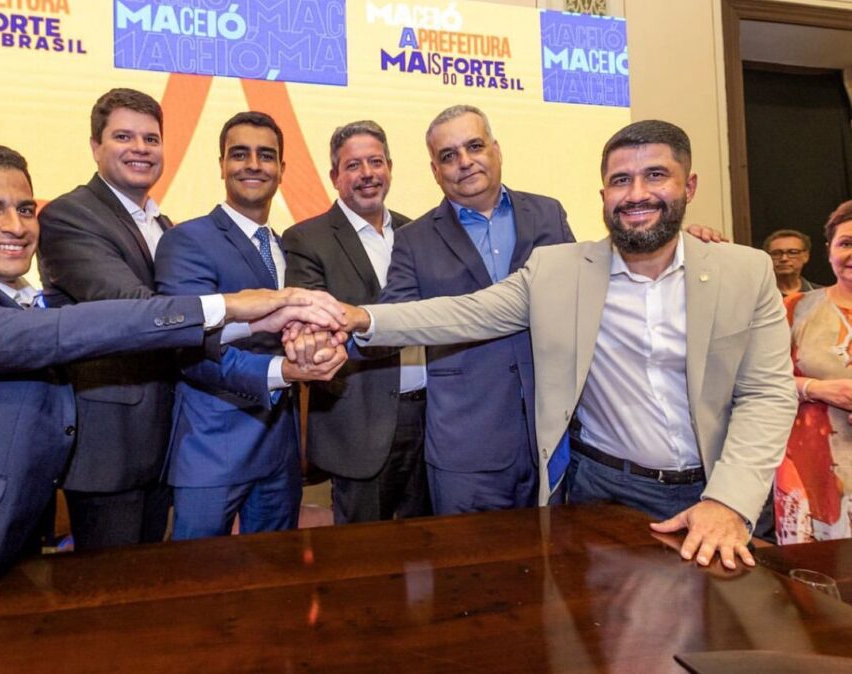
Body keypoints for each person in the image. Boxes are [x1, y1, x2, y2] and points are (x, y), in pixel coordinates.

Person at [0, 141, 345, 650]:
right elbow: (64, 333)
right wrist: (225, 305)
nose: (15, 226)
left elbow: (105, 338)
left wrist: (262, 323)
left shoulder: (19, 302)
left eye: (25, 209)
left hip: (12, 559)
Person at [297, 120, 796, 569]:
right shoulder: (561, 271)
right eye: (621, 181)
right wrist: (357, 316)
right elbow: (463, 312)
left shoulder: (744, 272)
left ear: (689, 187)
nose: (637, 194)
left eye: (656, 176)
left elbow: (768, 395)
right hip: (599, 489)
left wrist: (729, 501)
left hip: (715, 492)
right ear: (603, 194)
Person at [372, 104, 574, 515]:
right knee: (470, 557)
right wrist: (340, 329)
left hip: (553, 433)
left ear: (497, 150)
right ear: (435, 171)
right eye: (449, 155)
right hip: (467, 447)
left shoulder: (548, 214)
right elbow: (392, 321)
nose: (464, 162)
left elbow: (586, 289)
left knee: (556, 554)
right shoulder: (414, 240)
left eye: (475, 146)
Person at [154, 112, 348, 540]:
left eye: (266, 155)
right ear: (222, 164)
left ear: (282, 168)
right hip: (213, 449)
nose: (254, 165)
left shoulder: (288, 247)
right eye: (240, 154)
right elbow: (188, 347)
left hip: (281, 452)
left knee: (274, 573)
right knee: (199, 576)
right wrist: (284, 371)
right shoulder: (187, 240)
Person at [37, 88, 176, 551]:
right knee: (106, 584)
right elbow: (132, 306)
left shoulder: (164, 224)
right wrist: (236, 310)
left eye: (151, 139)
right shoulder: (69, 216)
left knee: (154, 580)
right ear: (95, 146)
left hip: (164, 441)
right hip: (110, 447)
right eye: (123, 136)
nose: (140, 148)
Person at [282, 120, 431, 524]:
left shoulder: (419, 232)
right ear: (335, 177)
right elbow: (322, 332)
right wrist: (410, 321)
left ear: (390, 168)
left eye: (376, 162)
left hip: (432, 418)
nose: (367, 173)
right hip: (361, 426)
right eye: (353, 165)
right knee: (361, 551)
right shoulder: (306, 239)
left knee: (428, 547)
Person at [776, 201, 852, 543]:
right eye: (846, 243)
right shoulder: (795, 309)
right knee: (814, 571)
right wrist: (819, 389)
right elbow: (757, 382)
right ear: (828, 250)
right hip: (809, 469)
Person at [763, 229, 820, 296]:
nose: (784, 258)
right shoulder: (758, 296)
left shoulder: (822, 295)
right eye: (776, 253)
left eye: (792, 252)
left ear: (806, 256)